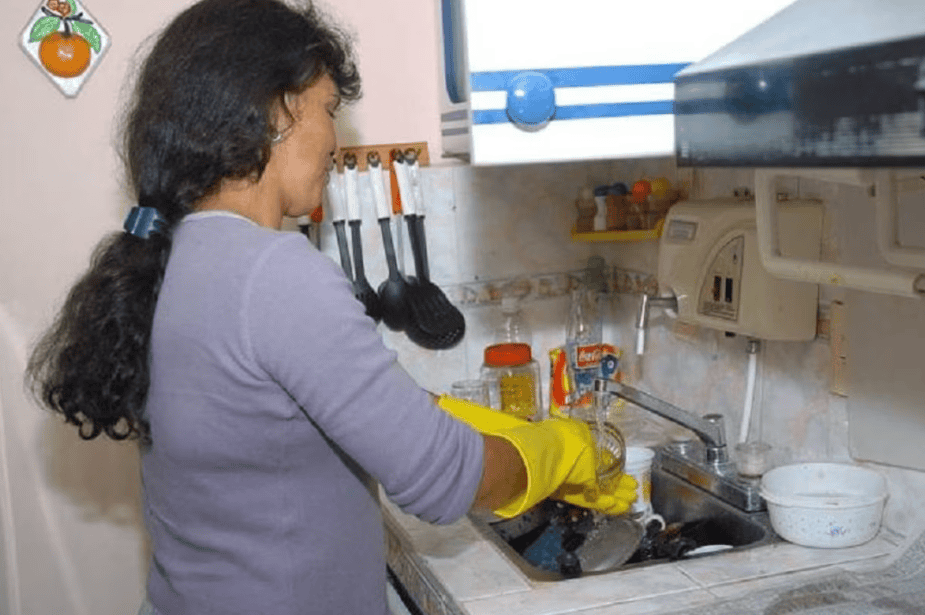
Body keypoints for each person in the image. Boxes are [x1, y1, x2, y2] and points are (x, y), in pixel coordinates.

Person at [25, 1, 636, 613]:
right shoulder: (274, 272)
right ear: (277, 111)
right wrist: (561, 451)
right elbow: (446, 482)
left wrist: (475, 421)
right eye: (328, 111)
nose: (334, 143)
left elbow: (324, 404)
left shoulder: (174, 257)